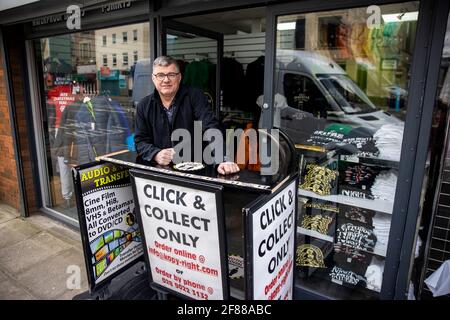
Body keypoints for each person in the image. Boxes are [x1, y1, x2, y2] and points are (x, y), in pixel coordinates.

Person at [134, 55, 239, 175]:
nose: (166, 80)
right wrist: (155, 154)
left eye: (171, 75)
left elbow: (210, 127)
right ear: (153, 78)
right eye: (160, 75)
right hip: (161, 173)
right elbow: (140, 141)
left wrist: (223, 159)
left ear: (179, 77)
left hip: (196, 171)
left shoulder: (195, 96)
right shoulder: (144, 105)